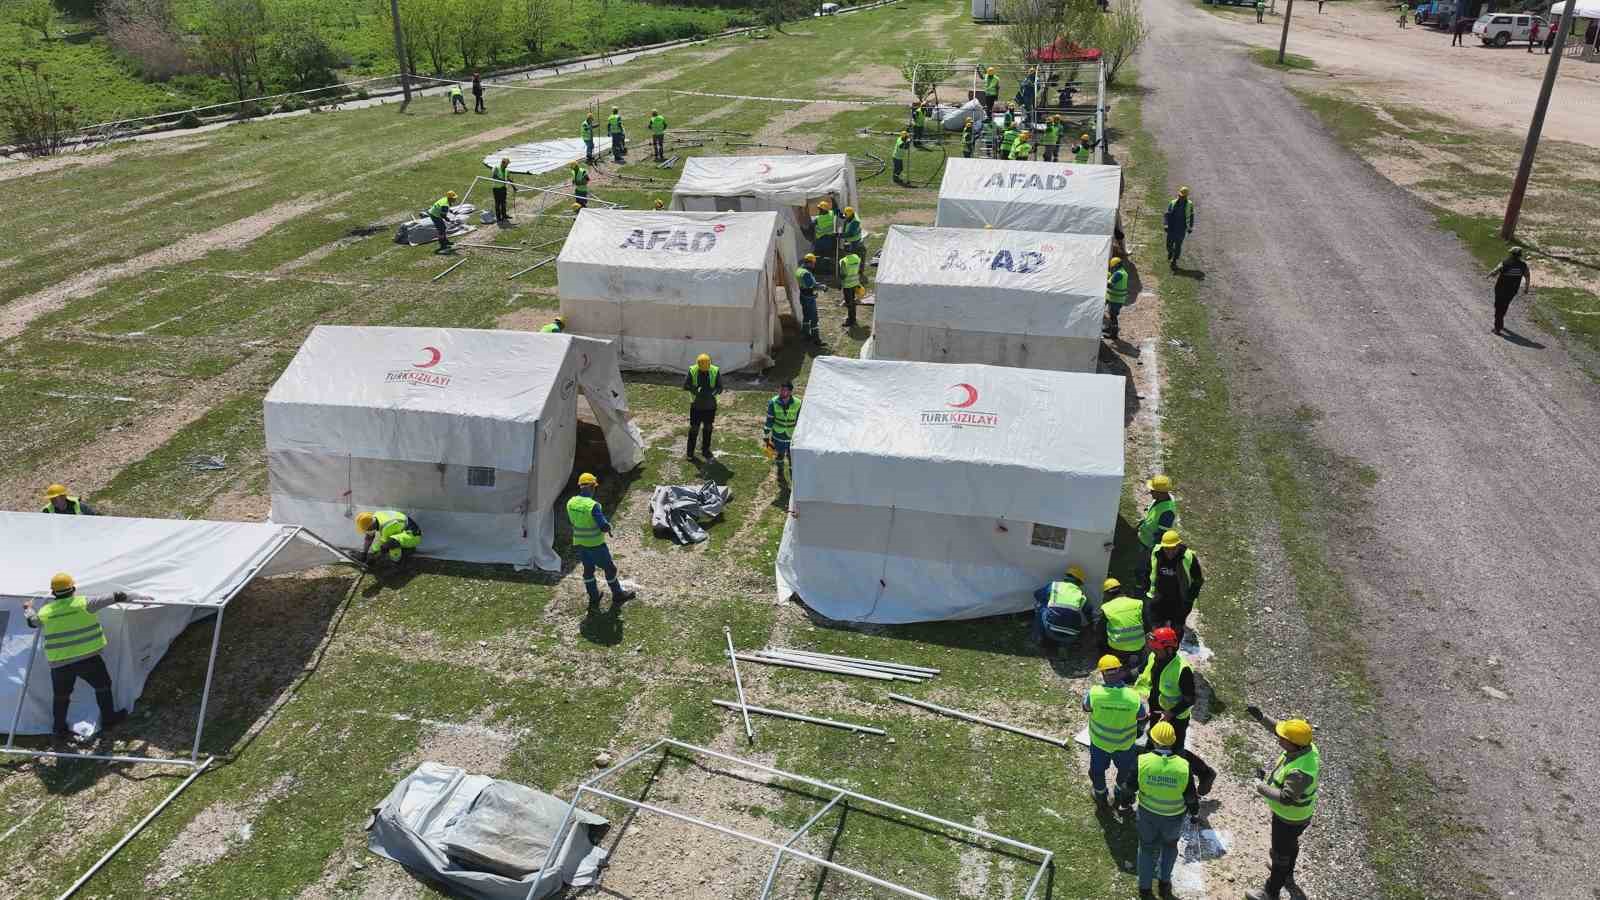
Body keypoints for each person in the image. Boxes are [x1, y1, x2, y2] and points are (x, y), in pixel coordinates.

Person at [23, 573, 132, 743]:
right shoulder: (84, 603)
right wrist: (129, 595)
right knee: (103, 686)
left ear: (53, 593)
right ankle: (109, 719)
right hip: (88, 659)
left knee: (61, 696)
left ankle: (58, 730)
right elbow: (116, 596)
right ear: (73, 588)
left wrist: (28, 608)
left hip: (60, 664)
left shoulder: (45, 611)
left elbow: (32, 622)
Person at [1243, 712, 1320, 900]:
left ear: (1293, 744)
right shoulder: (1305, 746)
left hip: (1289, 818)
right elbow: (1281, 730)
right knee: (1289, 845)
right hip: (1299, 816)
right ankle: (1287, 874)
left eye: (1283, 738)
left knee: (1280, 856)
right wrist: (1261, 717)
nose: (1279, 739)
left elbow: (1286, 797)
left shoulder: (1300, 772)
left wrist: (1260, 786)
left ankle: (1270, 892)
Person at [1138, 627, 1217, 795]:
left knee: (1175, 753)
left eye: (1157, 649)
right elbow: (1148, 679)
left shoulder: (1182, 669)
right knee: (1155, 745)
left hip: (1175, 718)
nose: (1153, 651)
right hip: (1157, 712)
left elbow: (1190, 699)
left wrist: (1170, 714)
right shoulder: (1155, 657)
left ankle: (1205, 773)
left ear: (1169, 648)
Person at [1137, 721, 1197, 900]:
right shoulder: (1183, 766)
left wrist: (1124, 799)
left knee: (1146, 849)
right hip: (1173, 817)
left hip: (1148, 814)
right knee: (1170, 847)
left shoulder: (1143, 761)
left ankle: (1145, 889)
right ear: (1173, 742)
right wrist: (1194, 812)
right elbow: (1190, 796)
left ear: (1153, 740)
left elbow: (1129, 785)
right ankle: (1164, 884)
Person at [1082, 654, 1144, 809]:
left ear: (1102, 673)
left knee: (1097, 771)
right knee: (1125, 771)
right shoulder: (1133, 696)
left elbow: (1086, 707)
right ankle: (1119, 794)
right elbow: (1142, 716)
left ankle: (1101, 795)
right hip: (1125, 745)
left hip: (1100, 744)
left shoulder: (1095, 693)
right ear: (1120, 670)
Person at [567, 473, 636, 608]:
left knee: (588, 570)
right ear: (592, 487)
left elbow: (573, 521)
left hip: (580, 543)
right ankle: (618, 594)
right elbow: (603, 526)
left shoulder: (571, 502)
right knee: (610, 569)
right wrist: (608, 527)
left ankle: (593, 596)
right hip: (595, 544)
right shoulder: (593, 506)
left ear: (580, 486)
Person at [1148, 530, 1203, 644]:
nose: (1170, 552)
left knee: (1176, 628)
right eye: (1167, 548)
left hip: (1180, 600)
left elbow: (1198, 580)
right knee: (1156, 625)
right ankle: (1158, 646)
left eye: (1173, 548)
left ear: (1178, 545)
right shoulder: (1156, 552)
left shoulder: (1188, 556)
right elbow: (1148, 570)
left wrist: (1189, 599)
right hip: (1160, 597)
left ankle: (1173, 648)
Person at [1033, 565, 1091, 651]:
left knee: (1042, 607)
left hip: (1051, 632)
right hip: (1071, 636)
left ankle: (1039, 639)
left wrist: (1049, 600)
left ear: (1066, 577)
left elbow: (1037, 594)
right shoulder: (1081, 595)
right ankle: (1063, 646)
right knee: (1072, 619)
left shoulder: (1054, 586)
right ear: (1079, 582)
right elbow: (1089, 613)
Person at [1100, 580, 1148, 672]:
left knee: (1102, 639)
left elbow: (1101, 631)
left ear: (1106, 594)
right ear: (1122, 590)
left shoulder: (1106, 607)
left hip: (1117, 647)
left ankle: (1120, 662)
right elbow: (1147, 625)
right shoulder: (1138, 603)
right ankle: (1135, 660)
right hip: (1138, 646)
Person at [683, 353, 722, 460]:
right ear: (699, 366)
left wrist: (713, 393)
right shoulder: (692, 370)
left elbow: (720, 388)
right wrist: (694, 390)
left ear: (709, 365)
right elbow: (685, 385)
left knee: (708, 427)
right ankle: (690, 453)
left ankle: (705, 450)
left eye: (706, 370)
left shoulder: (715, 370)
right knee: (694, 429)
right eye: (702, 370)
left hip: (710, 406)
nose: (704, 372)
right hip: (696, 405)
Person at [1486, 246, 1531, 334]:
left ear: (1511, 254)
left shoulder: (1505, 263)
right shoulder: (1523, 265)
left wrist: (1489, 275)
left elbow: (1496, 271)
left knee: (1498, 306)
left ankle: (1498, 328)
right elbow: (1527, 276)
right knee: (1504, 305)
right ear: (1520, 255)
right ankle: (1500, 321)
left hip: (1501, 288)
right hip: (1512, 290)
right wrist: (1526, 288)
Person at [764, 381, 801, 483]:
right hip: (778, 435)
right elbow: (770, 419)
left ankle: (793, 476)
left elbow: (800, 420)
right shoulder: (773, 402)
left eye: (784, 390)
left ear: (790, 392)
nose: (781, 392)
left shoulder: (798, 403)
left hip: (791, 435)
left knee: (791, 457)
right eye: (780, 389)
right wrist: (766, 435)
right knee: (779, 454)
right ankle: (780, 471)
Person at [357, 510, 422, 569]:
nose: (367, 531)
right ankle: (403, 550)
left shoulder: (387, 527)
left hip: (413, 536)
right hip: (400, 529)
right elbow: (369, 537)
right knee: (375, 547)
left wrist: (373, 559)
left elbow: (385, 547)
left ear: (371, 525)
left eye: (367, 529)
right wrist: (364, 553)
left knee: (391, 544)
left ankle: (398, 562)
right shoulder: (375, 516)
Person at [1138, 474, 1179, 553]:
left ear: (1161, 493)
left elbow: (1161, 535)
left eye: (1153, 491)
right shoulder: (1160, 498)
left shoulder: (1167, 513)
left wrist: (1153, 549)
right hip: (1143, 536)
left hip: (1148, 543)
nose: (1150, 492)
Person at [1164, 186, 1195, 268]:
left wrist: (1190, 227)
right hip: (1171, 227)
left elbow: (1191, 216)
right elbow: (1167, 215)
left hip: (1181, 228)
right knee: (1169, 244)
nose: (1181, 197)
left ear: (1186, 197)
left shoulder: (1190, 205)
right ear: (1178, 194)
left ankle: (1174, 260)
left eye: (1183, 196)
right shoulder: (1172, 202)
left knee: (1178, 245)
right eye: (1180, 196)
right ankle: (1170, 252)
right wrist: (1166, 224)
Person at [796, 253, 823, 342]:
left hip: (802, 295)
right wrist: (822, 287)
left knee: (806, 316)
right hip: (809, 297)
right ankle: (816, 339)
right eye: (813, 263)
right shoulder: (806, 273)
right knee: (814, 318)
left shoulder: (799, 270)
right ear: (809, 262)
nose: (814, 265)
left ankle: (806, 334)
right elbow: (811, 286)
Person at [839, 247, 864, 328]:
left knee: (849, 303)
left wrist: (840, 284)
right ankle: (853, 318)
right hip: (855, 283)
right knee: (852, 301)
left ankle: (851, 320)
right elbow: (860, 268)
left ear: (844, 251)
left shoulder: (843, 261)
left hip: (847, 285)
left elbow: (843, 275)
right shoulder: (856, 257)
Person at [1105, 256, 1129, 339]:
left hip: (1116, 299)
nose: (1112, 269)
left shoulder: (1118, 274)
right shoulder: (1122, 272)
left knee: (1113, 316)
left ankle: (1114, 334)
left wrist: (1103, 281)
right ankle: (1110, 329)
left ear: (1116, 266)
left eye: (1113, 267)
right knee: (1112, 314)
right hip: (1117, 298)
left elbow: (1111, 285)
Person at [812, 200, 837, 271]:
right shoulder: (831, 214)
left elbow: (811, 225)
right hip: (829, 239)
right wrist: (833, 199)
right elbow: (835, 208)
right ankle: (828, 269)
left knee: (818, 255)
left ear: (822, 210)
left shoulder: (818, 219)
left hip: (820, 240)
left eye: (819, 209)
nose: (818, 210)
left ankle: (819, 269)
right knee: (828, 255)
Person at [490, 156, 515, 224]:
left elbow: (508, 179)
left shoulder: (507, 170)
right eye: (507, 164)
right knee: (498, 203)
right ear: (503, 163)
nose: (507, 165)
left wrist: (514, 187)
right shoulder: (496, 168)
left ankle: (504, 215)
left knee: (503, 203)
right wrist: (503, 180)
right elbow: (494, 177)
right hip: (496, 189)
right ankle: (498, 218)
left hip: (503, 188)